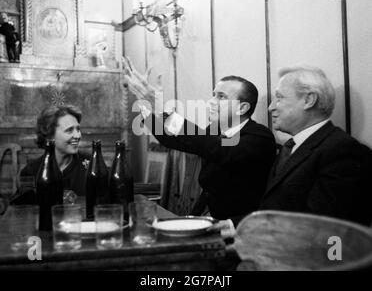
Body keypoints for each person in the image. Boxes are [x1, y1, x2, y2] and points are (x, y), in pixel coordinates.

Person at [215, 65, 372, 236]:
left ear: (308, 100)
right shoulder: (293, 146)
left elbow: (328, 233)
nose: (271, 107)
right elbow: (275, 210)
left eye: (279, 98)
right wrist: (229, 226)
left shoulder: (343, 152)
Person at [123, 57, 277, 221]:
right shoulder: (214, 130)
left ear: (242, 107)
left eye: (221, 97)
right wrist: (146, 104)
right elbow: (170, 140)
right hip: (205, 213)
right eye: (213, 95)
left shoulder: (259, 137)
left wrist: (163, 109)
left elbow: (221, 150)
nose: (211, 101)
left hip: (238, 223)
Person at [11, 105, 90, 205]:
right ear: (50, 136)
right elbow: (24, 212)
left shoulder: (91, 164)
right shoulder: (31, 172)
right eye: (69, 130)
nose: (78, 135)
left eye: (78, 129)